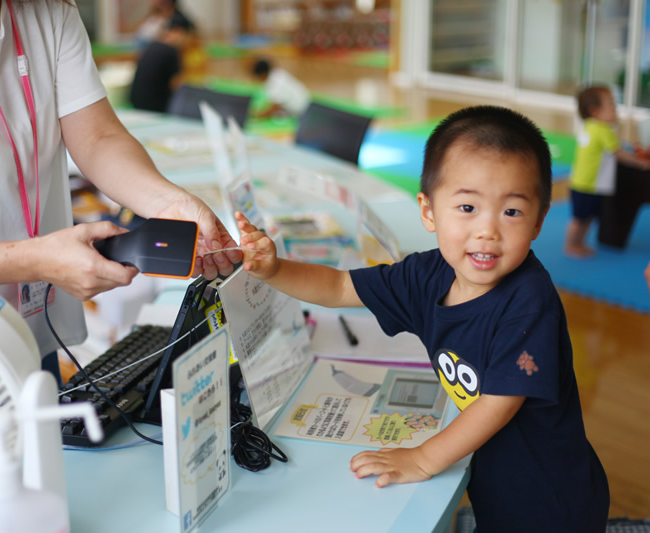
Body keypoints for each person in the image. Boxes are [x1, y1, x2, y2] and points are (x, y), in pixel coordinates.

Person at [235, 106, 609, 532]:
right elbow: (340, 287)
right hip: (496, 476)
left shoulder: (529, 301)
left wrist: (422, 458)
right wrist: (276, 270)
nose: (487, 230)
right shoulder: (427, 274)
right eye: (467, 207)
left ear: (540, 220)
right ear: (428, 211)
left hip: (550, 499)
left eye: (512, 212)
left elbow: (499, 403)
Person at [0, 0, 241, 378]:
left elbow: (98, 137)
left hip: (31, 334)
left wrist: (170, 202)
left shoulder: (50, 9)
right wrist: (34, 260)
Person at [565, 85, 650, 257]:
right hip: (588, 185)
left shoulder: (590, 126)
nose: (615, 109)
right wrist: (640, 163)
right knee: (581, 219)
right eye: (612, 105)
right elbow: (619, 154)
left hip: (580, 183)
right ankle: (571, 245)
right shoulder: (604, 130)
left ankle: (577, 243)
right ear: (595, 112)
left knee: (583, 218)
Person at [129, 12, 193, 113]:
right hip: (155, 108)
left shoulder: (151, 46)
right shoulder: (170, 51)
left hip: (137, 104)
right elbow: (178, 86)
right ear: (180, 32)